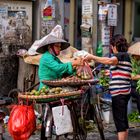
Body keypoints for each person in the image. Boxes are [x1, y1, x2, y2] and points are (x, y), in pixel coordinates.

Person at [84, 34, 132, 140]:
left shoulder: (121, 55)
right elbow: (122, 71)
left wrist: (92, 57)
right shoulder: (125, 56)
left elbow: (109, 61)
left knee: (119, 121)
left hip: (119, 93)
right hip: (124, 92)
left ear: (115, 45)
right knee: (123, 119)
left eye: (112, 46)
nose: (111, 49)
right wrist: (110, 72)